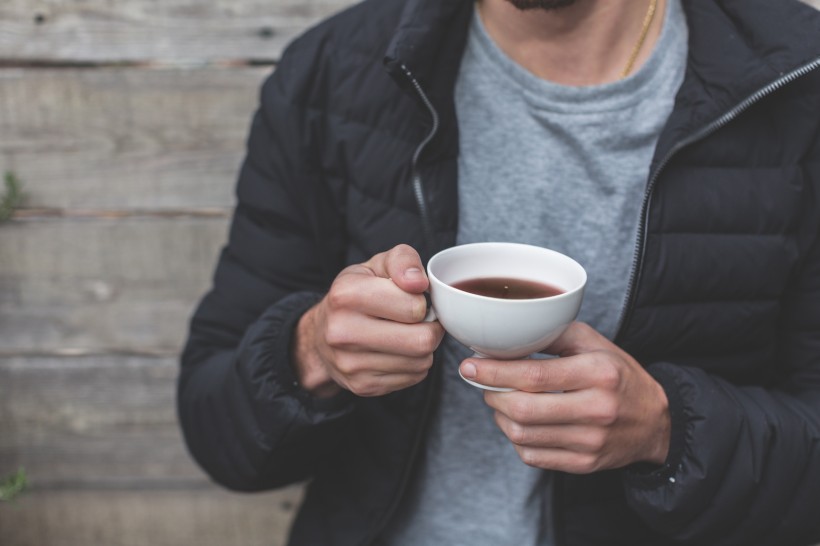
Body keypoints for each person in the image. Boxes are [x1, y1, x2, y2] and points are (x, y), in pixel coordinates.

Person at [177, 0, 820, 544]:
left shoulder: (798, 78)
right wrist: (311, 352)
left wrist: (667, 431)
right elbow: (217, 432)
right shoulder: (331, 72)